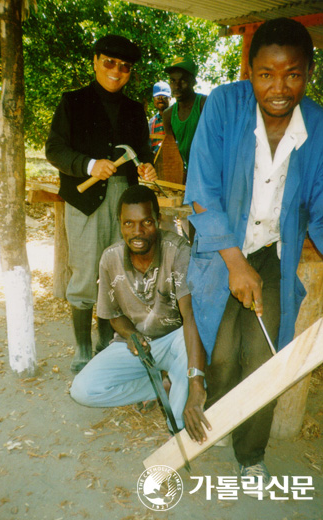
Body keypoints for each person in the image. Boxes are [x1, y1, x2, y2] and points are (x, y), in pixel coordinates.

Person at [183, 18, 323, 493]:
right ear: (250, 71)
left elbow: (321, 209)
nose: (279, 88)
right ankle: (214, 416)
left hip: (272, 254)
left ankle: (250, 454)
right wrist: (234, 263)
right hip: (220, 249)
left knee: (264, 355)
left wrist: (253, 265)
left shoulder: (319, 126)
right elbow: (202, 189)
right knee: (221, 354)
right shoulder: (224, 106)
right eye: (266, 74)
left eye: (293, 74)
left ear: (309, 71)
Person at [45, 35, 157, 373]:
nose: (117, 71)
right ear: (95, 62)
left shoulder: (136, 110)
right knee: (83, 276)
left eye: (125, 67)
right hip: (86, 200)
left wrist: (146, 166)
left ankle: (104, 342)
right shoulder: (72, 102)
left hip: (125, 203)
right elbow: (55, 150)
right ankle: (82, 349)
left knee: (116, 275)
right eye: (109, 62)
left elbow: (142, 151)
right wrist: (89, 165)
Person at [70, 185, 208, 431]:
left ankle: (177, 425)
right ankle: (165, 383)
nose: (138, 232)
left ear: (158, 220)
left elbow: (190, 315)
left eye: (146, 222)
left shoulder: (176, 251)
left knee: (189, 347)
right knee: (82, 390)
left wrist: (196, 382)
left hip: (177, 341)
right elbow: (114, 315)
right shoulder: (110, 259)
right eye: (128, 224)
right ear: (120, 223)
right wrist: (130, 335)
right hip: (139, 346)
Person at [163, 56, 206, 169]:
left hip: (208, 170)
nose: (177, 86)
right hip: (186, 173)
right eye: (173, 81)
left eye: (183, 81)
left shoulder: (204, 104)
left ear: (193, 82)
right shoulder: (168, 114)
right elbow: (172, 152)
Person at [148, 81, 171, 154]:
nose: (160, 99)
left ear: (170, 98)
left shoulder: (177, 118)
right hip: (157, 164)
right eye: (157, 97)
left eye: (164, 97)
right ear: (153, 99)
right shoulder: (151, 123)